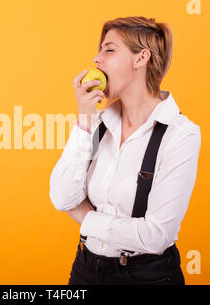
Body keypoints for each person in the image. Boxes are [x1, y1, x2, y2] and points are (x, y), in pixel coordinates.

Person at [49, 16, 201, 285]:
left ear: (140, 58)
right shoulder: (97, 125)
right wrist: (84, 118)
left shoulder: (180, 134)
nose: (96, 59)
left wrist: (86, 217)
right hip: (86, 268)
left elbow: (156, 235)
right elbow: (61, 197)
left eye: (109, 49)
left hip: (147, 276)